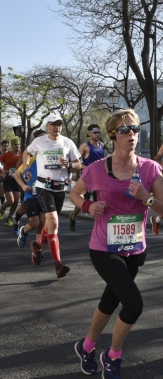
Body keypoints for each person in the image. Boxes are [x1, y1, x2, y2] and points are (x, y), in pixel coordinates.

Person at [69, 109, 163, 379]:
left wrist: (147, 198)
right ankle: (113, 356)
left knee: (111, 300)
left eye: (135, 129)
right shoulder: (97, 169)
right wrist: (88, 206)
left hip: (135, 248)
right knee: (133, 304)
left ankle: (86, 346)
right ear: (113, 135)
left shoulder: (150, 168)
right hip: (104, 247)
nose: (131, 134)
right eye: (125, 130)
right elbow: (75, 193)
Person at [22, 114, 82, 278]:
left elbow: (78, 163)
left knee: (49, 226)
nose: (57, 127)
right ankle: (58, 265)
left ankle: (37, 244)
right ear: (47, 126)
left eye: (60, 124)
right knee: (54, 222)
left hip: (60, 188)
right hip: (43, 187)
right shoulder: (39, 142)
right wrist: (27, 168)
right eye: (54, 124)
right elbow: (26, 153)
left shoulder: (67, 142)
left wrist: (69, 164)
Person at [68, 124, 105, 231]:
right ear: (89, 133)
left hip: (99, 177)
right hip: (87, 177)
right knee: (83, 200)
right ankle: (73, 216)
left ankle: (100, 226)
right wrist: (88, 168)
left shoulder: (102, 145)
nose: (97, 134)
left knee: (101, 200)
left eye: (99, 132)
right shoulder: (85, 146)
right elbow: (76, 161)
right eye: (95, 132)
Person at [14, 129, 47, 248]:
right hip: (31, 195)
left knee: (43, 224)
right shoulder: (31, 158)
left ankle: (38, 249)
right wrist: (23, 185)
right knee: (34, 223)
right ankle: (24, 231)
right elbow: (17, 173)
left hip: (45, 195)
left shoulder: (50, 159)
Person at [0, 138, 23, 226]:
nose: (17, 146)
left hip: (17, 180)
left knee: (16, 201)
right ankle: (2, 208)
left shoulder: (21, 155)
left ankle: (9, 218)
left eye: (18, 144)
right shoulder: (7, 155)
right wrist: (2, 171)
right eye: (15, 144)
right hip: (7, 179)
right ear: (12, 146)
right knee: (10, 201)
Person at [0, 139, 9, 207]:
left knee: (2, 190)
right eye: (4, 146)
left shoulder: (9, 154)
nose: (6, 147)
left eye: (7, 146)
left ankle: (2, 204)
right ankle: (3, 203)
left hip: (7, 173)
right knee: (2, 188)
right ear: (1, 146)